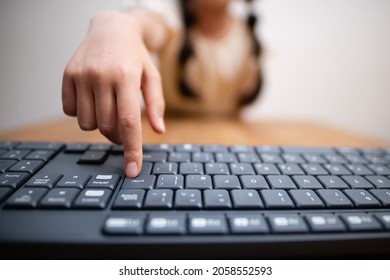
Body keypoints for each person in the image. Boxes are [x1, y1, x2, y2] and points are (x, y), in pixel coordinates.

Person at [62, 0, 263, 178]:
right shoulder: (171, 20)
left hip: (228, 143)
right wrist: (119, 25)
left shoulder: (246, 33)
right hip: (163, 137)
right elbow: (148, 22)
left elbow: (241, 105)